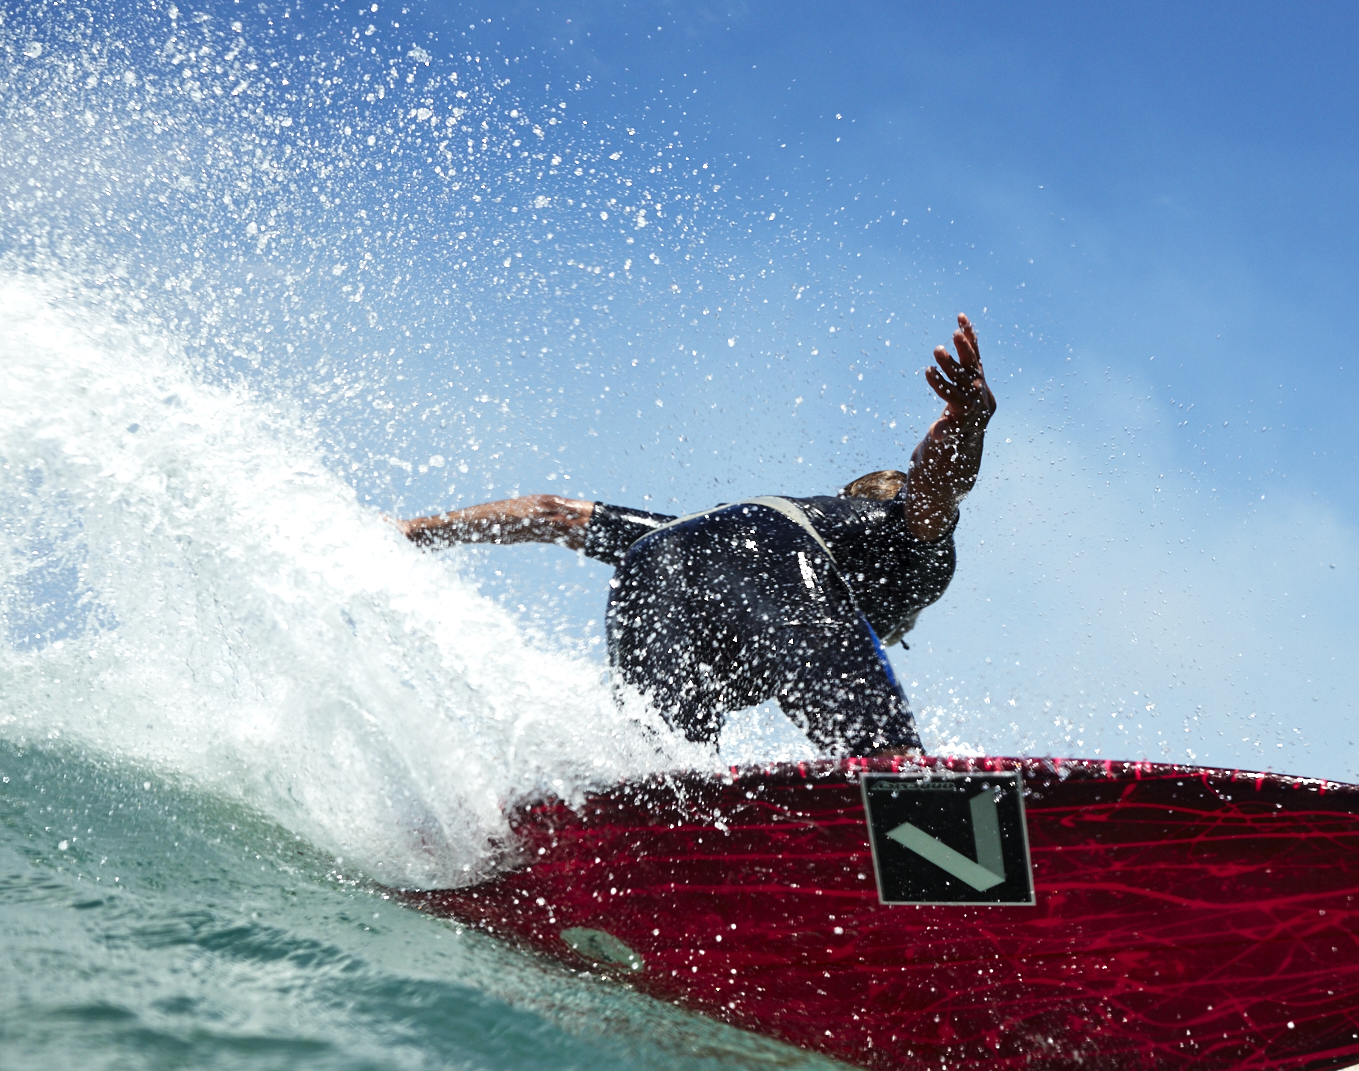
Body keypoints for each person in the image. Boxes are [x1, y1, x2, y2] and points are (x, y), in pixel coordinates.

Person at [398, 313, 997, 759]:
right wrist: (969, 422)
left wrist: (409, 534)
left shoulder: (711, 547)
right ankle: (942, 885)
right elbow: (936, 486)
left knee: (675, 782)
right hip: (772, 551)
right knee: (892, 771)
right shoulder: (908, 556)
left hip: (654, 566)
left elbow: (555, 514)